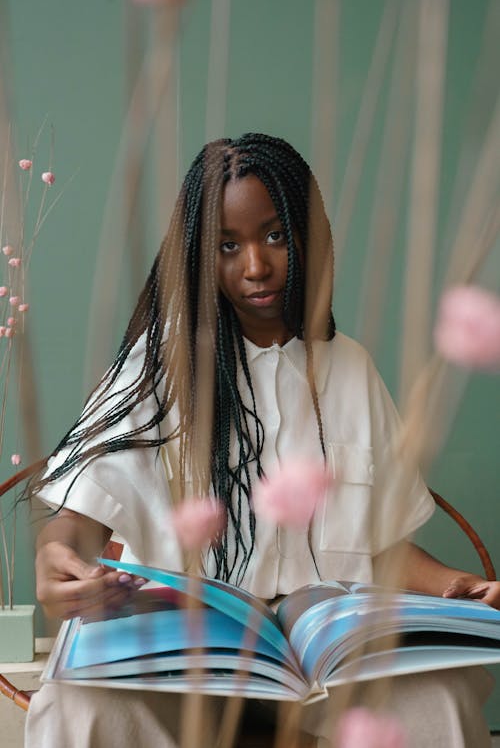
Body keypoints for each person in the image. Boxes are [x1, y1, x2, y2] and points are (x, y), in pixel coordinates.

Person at [26, 133, 499, 747]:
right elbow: (82, 517)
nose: (256, 265)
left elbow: (379, 545)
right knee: (78, 706)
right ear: (201, 255)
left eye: (275, 235)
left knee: (438, 694)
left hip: (327, 663)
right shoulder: (158, 367)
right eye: (228, 245)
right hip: (184, 659)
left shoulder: (351, 370)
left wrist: (455, 588)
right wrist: (54, 557)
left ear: (310, 235)